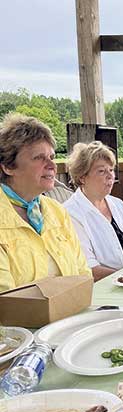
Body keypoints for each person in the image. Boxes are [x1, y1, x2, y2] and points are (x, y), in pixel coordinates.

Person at [0, 113, 90, 292]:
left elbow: (83, 275)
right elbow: (6, 303)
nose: (51, 165)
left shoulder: (57, 211)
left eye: (52, 157)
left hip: (72, 315)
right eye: (39, 158)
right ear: (8, 167)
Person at [64, 141, 123, 281]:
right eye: (102, 171)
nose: (110, 176)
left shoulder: (117, 204)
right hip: (112, 285)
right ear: (82, 177)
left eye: (111, 170)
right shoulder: (70, 213)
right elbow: (90, 269)